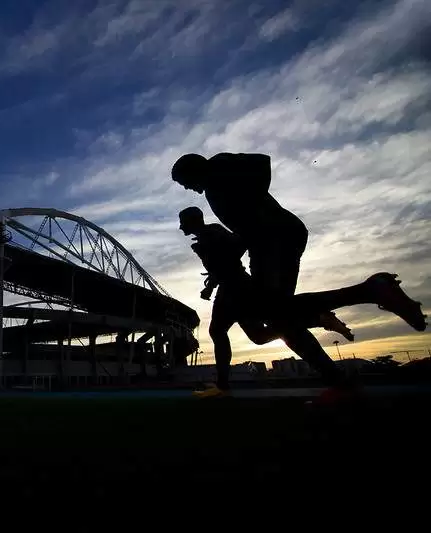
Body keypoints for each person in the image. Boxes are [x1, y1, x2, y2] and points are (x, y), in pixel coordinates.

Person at [172, 153, 426, 398]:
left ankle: (368, 292)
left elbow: (262, 162)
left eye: (184, 182)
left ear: (193, 170)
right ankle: (340, 382)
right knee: (281, 318)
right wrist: (247, 234)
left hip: (275, 239)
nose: (187, 188)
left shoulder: (218, 168)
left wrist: (259, 212)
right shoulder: (214, 191)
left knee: (275, 314)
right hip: (268, 242)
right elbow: (243, 233)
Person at [178, 207, 352, 398]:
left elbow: (239, 244)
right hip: (232, 287)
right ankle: (317, 319)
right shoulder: (205, 237)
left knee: (218, 331)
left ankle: (222, 385)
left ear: (193, 220)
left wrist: (222, 262)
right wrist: (210, 286)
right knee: (258, 336)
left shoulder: (213, 232)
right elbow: (219, 266)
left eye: (183, 222)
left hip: (235, 288)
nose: (180, 227)